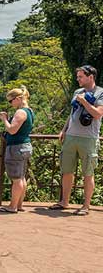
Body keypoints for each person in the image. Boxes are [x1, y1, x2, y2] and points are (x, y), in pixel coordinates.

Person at [51, 65, 103, 215]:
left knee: (88, 173)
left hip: (89, 139)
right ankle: (64, 202)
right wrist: (64, 129)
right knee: (66, 171)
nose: (78, 79)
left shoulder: (100, 93)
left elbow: (98, 114)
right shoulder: (77, 91)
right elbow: (72, 113)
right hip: (71, 137)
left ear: (90, 77)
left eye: (80, 76)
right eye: (78, 76)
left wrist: (85, 101)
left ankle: (86, 206)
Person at [0, 86, 34, 213]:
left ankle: (12, 206)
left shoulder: (21, 112)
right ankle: (19, 204)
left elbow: (12, 130)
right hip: (25, 146)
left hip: (17, 147)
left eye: (11, 100)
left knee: (16, 178)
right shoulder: (29, 111)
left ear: (18, 99)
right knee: (21, 177)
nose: (10, 103)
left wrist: (4, 120)